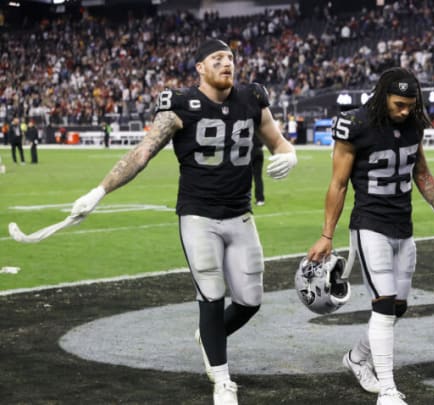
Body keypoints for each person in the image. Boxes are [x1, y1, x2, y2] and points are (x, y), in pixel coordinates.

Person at [69, 39, 298, 405]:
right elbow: (141, 154)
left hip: (240, 214)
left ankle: (210, 335)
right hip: (198, 216)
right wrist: (98, 192)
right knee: (210, 293)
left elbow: (279, 142)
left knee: (251, 300)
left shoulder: (252, 98)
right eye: (217, 58)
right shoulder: (180, 104)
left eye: (231, 58)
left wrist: (291, 155)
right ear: (200, 68)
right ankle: (222, 381)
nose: (227, 63)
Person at [306, 67, 434, 405]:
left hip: (402, 226)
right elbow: (338, 183)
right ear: (382, 98)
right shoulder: (357, 125)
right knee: (383, 305)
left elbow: (420, 170)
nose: (405, 111)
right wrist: (326, 234)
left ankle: (357, 357)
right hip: (369, 224)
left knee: (399, 306)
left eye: (410, 104)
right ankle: (388, 391)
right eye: (398, 104)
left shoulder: (414, 122)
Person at [250, 133, 265, 206]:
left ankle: (244, 198)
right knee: (258, 177)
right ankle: (260, 199)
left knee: (244, 177)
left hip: (249, 152)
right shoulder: (259, 131)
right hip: (259, 151)